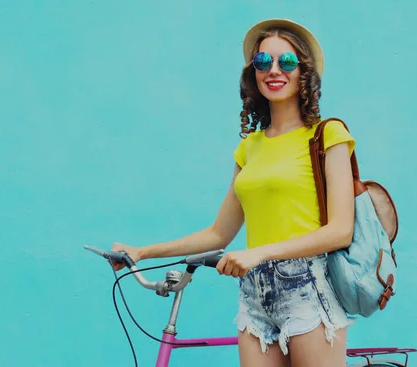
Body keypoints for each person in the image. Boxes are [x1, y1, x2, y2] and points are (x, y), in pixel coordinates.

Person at [111, 18, 357, 367]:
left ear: (304, 72)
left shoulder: (327, 135)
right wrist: (142, 251)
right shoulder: (250, 148)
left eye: (286, 62)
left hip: (308, 288)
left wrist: (258, 253)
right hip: (255, 293)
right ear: (252, 73)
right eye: (262, 62)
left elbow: (340, 230)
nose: (274, 70)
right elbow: (219, 233)